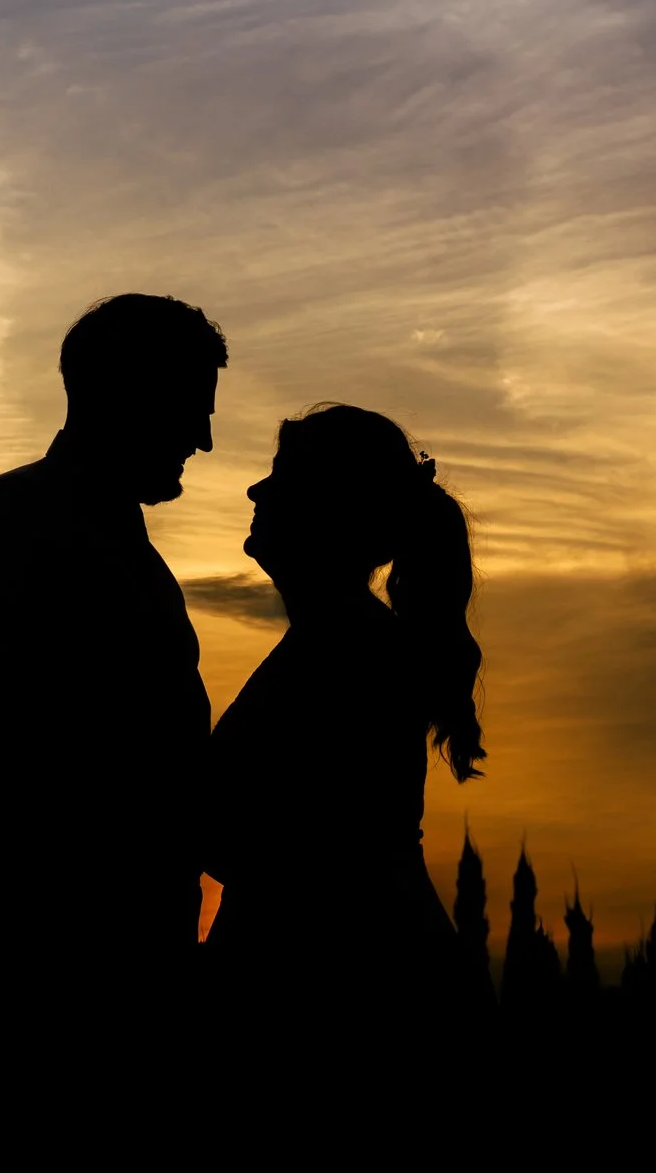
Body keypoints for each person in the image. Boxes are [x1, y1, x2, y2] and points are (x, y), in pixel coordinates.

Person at [0, 293, 226, 1026]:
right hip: (50, 933)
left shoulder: (125, 545)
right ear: (124, 396)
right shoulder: (13, 518)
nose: (204, 438)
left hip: (126, 929)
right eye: (191, 407)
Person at [203, 403, 485, 1033]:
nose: (256, 489)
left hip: (340, 987)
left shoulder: (349, 653)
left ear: (326, 508)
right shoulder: (339, 642)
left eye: (279, 475)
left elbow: (283, 845)